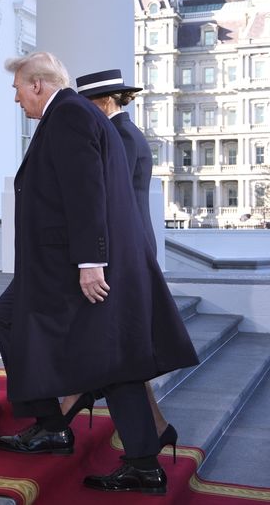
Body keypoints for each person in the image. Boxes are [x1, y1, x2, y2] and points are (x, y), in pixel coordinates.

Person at [0, 52, 199, 494]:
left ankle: (66, 431)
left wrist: (90, 262)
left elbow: (87, 192)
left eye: (17, 90)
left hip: (73, 267)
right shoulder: (80, 115)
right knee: (110, 357)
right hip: (70, 264)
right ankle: (115, 449)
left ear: (39, 85)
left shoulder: (67, 116)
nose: (16, 99)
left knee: (31, 324)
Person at [62, 68, 176, 456]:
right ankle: (157, 428)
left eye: (88, 105)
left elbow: (108, 202)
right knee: (125, 347)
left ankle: (75, 399)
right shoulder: (124, 133)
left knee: (119, 345)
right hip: (128, 251)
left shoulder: (120, 136)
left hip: (123, 255)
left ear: (106, 102)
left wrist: (94, 258)